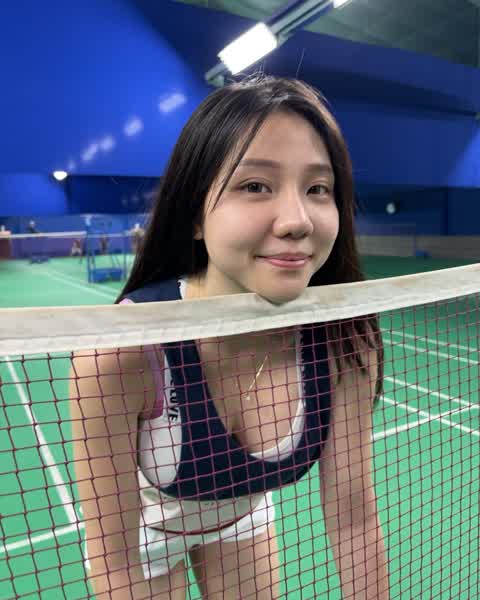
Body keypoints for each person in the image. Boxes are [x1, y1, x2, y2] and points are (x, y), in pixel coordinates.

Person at [70, 76, 388, 600]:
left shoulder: (344, 344)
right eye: (255, 186)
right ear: (195, 215)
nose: (297, 221)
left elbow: (353, 519)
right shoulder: (119, 355)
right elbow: (115, 556)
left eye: (318, 188)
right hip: (143, 537)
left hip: (240, 515)